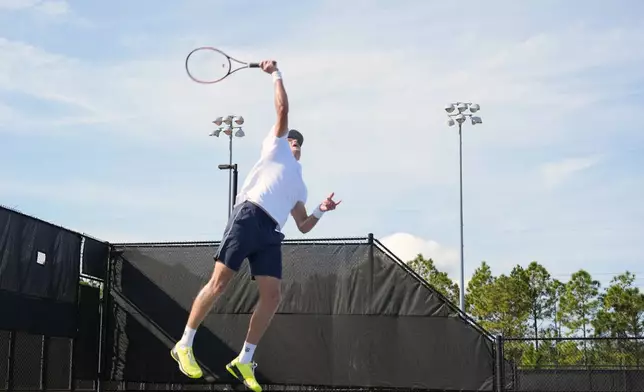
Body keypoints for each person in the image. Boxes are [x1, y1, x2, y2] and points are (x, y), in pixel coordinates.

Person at [170, 59, 341, 392]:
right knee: (219, 284)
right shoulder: (274, 149)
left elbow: (303, 225)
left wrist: (321, 208)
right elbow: (283, 109)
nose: (296, 145)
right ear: (283, 142)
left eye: (299, 144)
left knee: (273, 296)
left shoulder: (299, 186)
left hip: (272, 233)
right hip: (249, 216)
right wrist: (276, 74)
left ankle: (244, 359)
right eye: (293, 141)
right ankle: (185, 344)